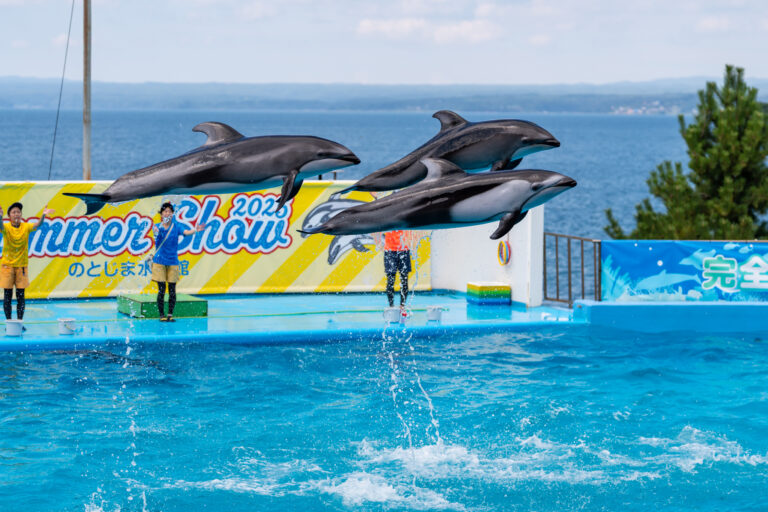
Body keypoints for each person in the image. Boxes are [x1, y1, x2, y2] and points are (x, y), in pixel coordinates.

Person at [1, 202, 54, 324]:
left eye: (18, 212)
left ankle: (19, 322)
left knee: (21, 297)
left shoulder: (25, 227)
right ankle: (9, 323)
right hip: (7, 267)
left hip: (21, 267)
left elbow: (38, 225)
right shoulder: (6, 227)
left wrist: (43, 215)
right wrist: (0, 217)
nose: (16, 214)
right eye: (14, 212)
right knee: (7, 296)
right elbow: (1, 226)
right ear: (9, 215)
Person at [151, 202, 204, 322]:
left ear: (173, 213)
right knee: (161, 289)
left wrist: (196, 230)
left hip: (173, 261)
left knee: (172, 289)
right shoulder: (157, 226)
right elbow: (156, 235)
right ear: (161, 214)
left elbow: (185, 232)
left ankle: (170, 314)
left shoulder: (176, 226)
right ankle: (161, 315)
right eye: (165, 211)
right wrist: (156, 230)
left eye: (169, 211)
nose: (167, 213)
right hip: (159, 261)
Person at [374, 230, 415, 312]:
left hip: (404, 249)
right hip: (390, 251)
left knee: (404, 280)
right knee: (390, 280)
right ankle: (391, 306)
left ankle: (402, 306)